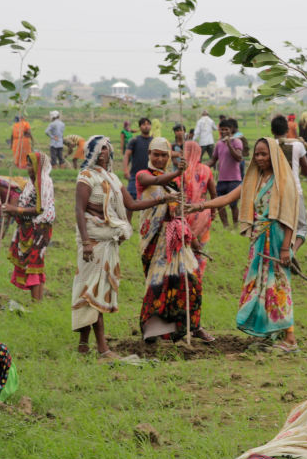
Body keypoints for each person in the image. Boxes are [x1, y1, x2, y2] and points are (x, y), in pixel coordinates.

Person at [194, 138, 298, 350]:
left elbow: (290, 216)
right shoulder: (254, 180)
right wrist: (199, 205)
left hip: (276, 240)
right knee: (260, 285)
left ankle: (290, 339)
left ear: (274, 156)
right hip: (259, 239)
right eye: (257, 154)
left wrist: (287, 247)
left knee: (278, 285)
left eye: (264, 154)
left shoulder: (283, 181)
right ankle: (269, 333)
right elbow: (226, 198)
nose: (259, 158)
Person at [72, 136, 167, 356]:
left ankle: (83, 346)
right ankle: (103, 348)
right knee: (91, 292)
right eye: (100, 148)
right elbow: (79, 210)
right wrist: (86, 242)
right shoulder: (86, 177)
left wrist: (161, 200)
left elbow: (131, 204)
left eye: (107, 148)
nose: (104, 151)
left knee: (94, 291)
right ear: (92, 152)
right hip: (93, 243)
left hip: (108, 242)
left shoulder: (113, 178)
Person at [135, 138, 213, 342]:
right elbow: (152, 182)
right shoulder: (143, 175)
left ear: (168, 156)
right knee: (158, 285)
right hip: (154, 242)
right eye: (155, 154)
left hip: (176, 241)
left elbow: (178, 214)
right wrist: (178, 173)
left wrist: (193, 239)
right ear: (149, 154)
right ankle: (153, 331)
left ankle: (193, 327)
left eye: (163, 155)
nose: (159, 159)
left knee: (192, 281)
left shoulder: (173, 183)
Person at [5, 151, 54, 302]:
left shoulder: (43, 182)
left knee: (34, 264)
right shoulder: (30, 183)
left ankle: (36, 304)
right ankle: (36, 304)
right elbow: (24, 203)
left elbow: (40, 209)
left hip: (39, 228)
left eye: (31, 164)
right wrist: (11, 210)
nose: (28, 167)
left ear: (39, 165)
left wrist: (15, 210)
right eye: (27, 164)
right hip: (27, 226)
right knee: (30, 265)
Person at [273, 115, 307, 252]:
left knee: (279, 225)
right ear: (287, 129)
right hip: (294, 191)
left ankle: (280, 251)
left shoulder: (270, 145)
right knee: (301, 227)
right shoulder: (297, 145)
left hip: (274, 190)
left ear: (272, 131)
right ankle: (291, 253)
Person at [181, 140, 217, 273]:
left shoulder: (181, 172)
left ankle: (185, 273)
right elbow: (214, 193)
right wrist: (213, 211)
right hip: (202, 213)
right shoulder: (206, 170)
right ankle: (197, 274)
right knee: (201, 246)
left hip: (184, 213)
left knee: (184, 245)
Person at [211, 119, 244, 228]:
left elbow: (239, 157)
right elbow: (213, 160)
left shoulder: (237, 142)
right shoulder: (219, 144)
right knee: (220, 204)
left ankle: (235, 226)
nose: (224, 131)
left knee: (233, 205)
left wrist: (229, 145)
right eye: (222, 129)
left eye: (226, 129)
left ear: (231, 130)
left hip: (234, 179)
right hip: (221, 179)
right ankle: (226, 226)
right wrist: (199, 166)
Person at [123, 117, 153, 207]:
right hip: (135, 175)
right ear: (140, 127)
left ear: (151, 126)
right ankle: (127, 221)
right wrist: (125, 170)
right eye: (143, 124)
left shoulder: (153, 141)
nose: (146, 126)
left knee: (150, 201)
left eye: (148, 124)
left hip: (151, 174)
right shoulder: (134, 140)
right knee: (130, 201)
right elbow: (127, 155)